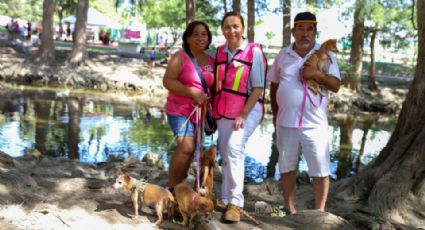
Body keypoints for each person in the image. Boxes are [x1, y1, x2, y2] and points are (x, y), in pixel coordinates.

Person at [267, 12, 341, 215]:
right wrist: (275, 115)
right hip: (285, 122)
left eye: (310, 29)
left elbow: (335, 85)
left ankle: (319, 214)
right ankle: (290, 210)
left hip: (315, 124)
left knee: (320, 170)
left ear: (315, 32)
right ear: (293, 31)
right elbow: (274, 86)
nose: (305, 33)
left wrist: (317, 74)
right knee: (287, 167)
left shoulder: (327, 55)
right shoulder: (283, 55)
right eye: (300, 28)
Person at [212, 12, 267, 222]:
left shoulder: (254, 52)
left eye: (235, 26)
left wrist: (244, 114)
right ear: (222, 30)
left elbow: (259, 88)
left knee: (234, 147)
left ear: (243, 28)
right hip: (225, 109)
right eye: (227, 27)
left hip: (248, 109)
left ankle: (235, 203)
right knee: (226, 153)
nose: (231, 31)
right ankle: (225, 199)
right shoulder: (219, 52)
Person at [163, 21, 214, 189]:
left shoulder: (212, 60)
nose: (200, 38)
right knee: (186, 147)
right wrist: (193, 93)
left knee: (192, 151)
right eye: (196, 34)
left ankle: (180, 185)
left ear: (209, 38)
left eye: (204, 34)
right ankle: (173, 187)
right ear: (188, 38)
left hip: (201, 113)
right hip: (178, 110)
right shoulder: (180, 57)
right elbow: (168, 81)